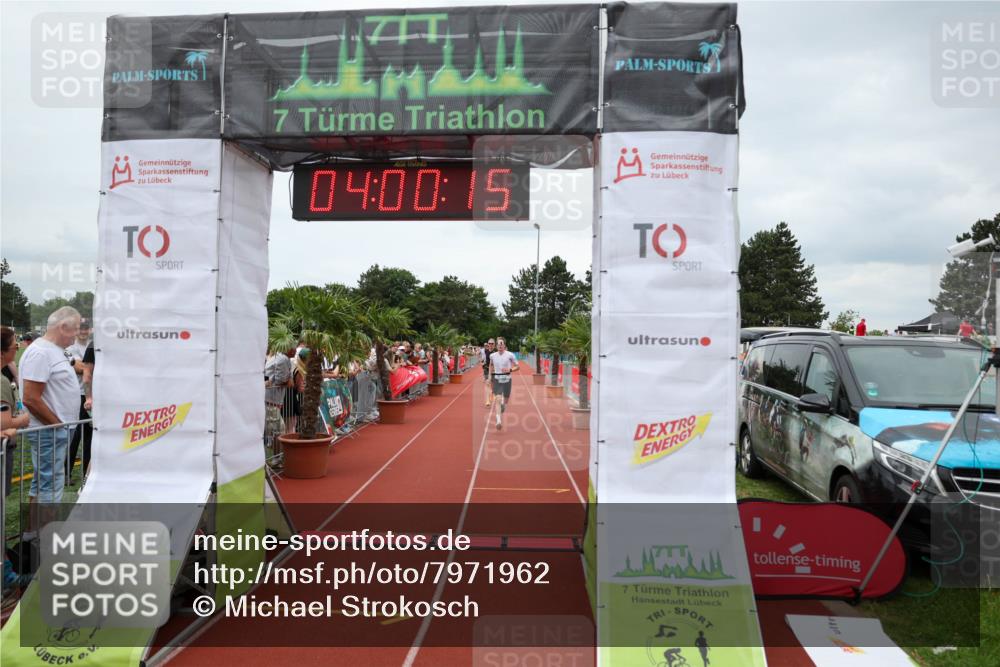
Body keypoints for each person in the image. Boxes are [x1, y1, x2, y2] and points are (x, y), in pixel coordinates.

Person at [19, 307, 81, 510]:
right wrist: (58, 426)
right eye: (76, 329)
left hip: (54, 430)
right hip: (50, 431)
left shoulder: (53, 350)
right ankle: (43, 537)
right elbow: (30, 398)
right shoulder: (41, 352)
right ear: (63, 327)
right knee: (50, 488)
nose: (77, 334)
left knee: (43, 484)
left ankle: (32, 535)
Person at [65, 319, 92, 484]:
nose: (83, 331)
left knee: (89, 436)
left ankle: (86, 474)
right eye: (80, 328)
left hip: (90, 396)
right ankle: (66, 474)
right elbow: (80, 368)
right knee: (74, 436)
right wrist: (89, 366)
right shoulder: (70, 349)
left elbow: (84, 367)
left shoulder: (92, 346)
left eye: (86, 328)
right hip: (76, 395)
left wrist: (84, 365)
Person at [489, 337, 520, 430]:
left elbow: (517, 367)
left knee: (505, 400)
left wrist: (510, 369)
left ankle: (504, 405)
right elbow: (491, 365)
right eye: (498, 344)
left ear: (505, 346)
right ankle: (498, 421)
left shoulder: (510, 355)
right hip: (497, 379)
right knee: (497, 399)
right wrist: (490, 377)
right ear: (496, 346)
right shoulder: (492, 356)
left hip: (507, 379)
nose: (500, 346)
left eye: (501, 344)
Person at [479, 339, 495, 407]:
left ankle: (492, 394)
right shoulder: (486, 351)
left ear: (494, 344)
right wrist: (482, 362)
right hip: (486, 369)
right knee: (487, 384)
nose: (490, 345)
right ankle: (487, 400)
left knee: (492, 385)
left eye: (492, 343)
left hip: (494, 370)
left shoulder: (496, 352)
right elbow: (484, 358)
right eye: (489, 343)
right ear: (488, 344)